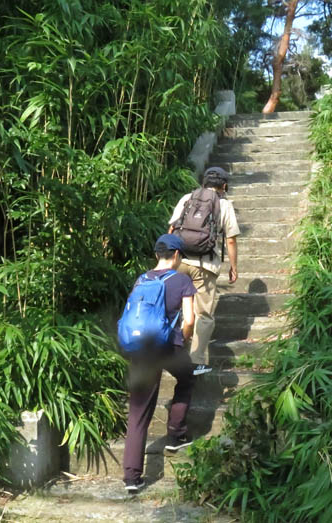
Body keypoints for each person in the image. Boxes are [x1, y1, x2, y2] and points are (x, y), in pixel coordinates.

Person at [122, 234, 197, 493]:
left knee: (138, 412)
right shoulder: (182, 280)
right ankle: (176, 434)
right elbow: (189, 319)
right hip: (169, 347)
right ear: (176, 255)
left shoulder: (141, 279)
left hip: (141, 348)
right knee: (188, 376)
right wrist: (184, 340)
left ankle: (132, 477)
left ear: (157, 254)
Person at [168, 166, 240, 375]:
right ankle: (196, 362)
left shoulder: (187, 198)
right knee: (203, 314)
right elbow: (231, 239)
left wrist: (168, 260)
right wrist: (233, 267)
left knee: (174, 308)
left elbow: (172, 229)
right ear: (224, 186)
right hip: (205, 265)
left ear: (203, 182)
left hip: (179, 261)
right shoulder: (224, 204)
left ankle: (170, 355)